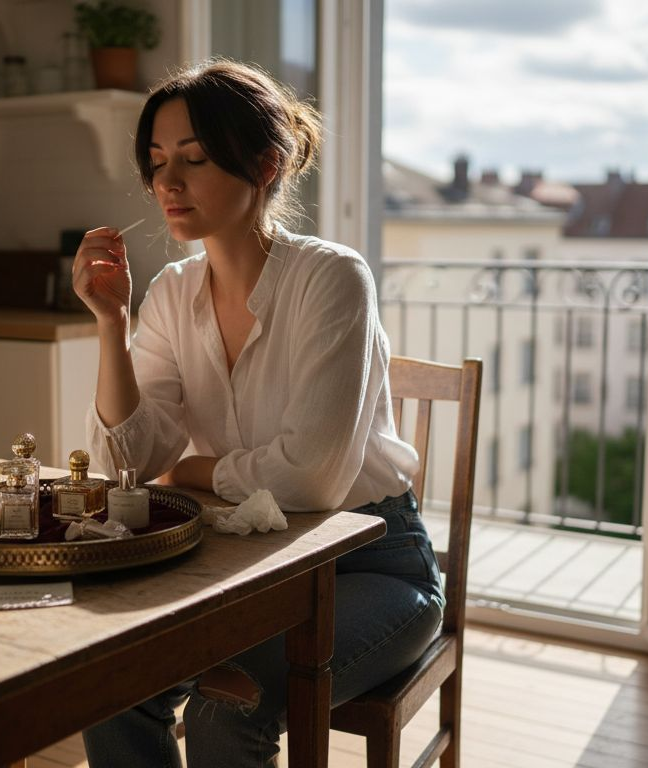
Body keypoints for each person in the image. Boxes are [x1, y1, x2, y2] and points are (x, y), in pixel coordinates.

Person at [73, 59, 442, 768]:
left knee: (226, 708)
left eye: (195, 159)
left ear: (267, 165)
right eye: (156, 164)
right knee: (108, 685)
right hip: (246, 567)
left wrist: (199, 468)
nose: (167, 185)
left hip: (373, 566)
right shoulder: (172, 293)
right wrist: (110, 322)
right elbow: (129, 465)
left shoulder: (332, 278)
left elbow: (312, 485)